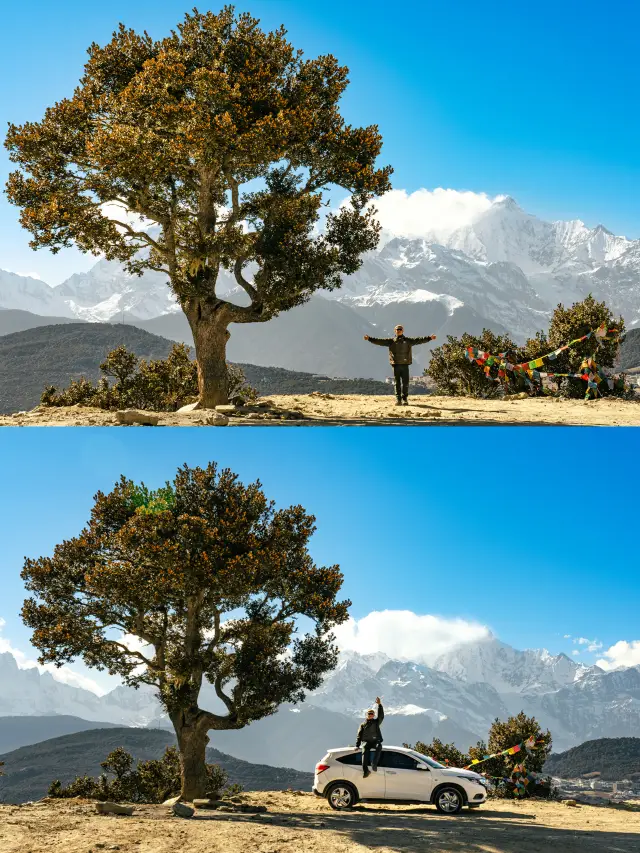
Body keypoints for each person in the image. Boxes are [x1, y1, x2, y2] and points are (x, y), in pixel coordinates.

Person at [364, 326, 436, 405]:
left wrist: (429, 338)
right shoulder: (391, 341)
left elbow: (419, 340)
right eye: (397, 329)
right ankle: (398, 400)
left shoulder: (408, 341)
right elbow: (379, 341)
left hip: (405, 365)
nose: (398, 331)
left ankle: (404, 399)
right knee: (397, 383)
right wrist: (369, 339)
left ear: (403, 330)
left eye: (400, 329)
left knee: (405, 383)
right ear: (395, 331)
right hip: (396, 365)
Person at [355, 697, 384, 778]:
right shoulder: (363, 725)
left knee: (379, 746)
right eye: (369, 714)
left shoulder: (376, 722)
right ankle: (366, 770)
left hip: (375, 741)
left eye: (372, 714)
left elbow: (381, 716)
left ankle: (374, 763)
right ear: (366, 715)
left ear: (374, 715)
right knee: (364, 752)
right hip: (366, 742)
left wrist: (379, 705)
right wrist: (357, 746)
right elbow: (359, 736)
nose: (371, 715)